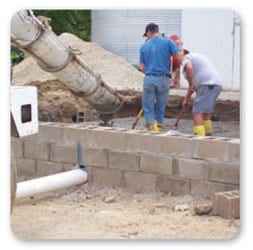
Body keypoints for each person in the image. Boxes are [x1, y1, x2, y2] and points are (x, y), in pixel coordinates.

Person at [139, 23, 180, 132]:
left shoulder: (144, 46)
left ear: (149, 32)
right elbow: (178, 57)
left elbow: (142, 67)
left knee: (148, 106)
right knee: (161, 105)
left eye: (146, 35)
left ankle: (152, 130)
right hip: (164, 78)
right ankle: (159, 128)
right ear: (157, 30)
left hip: (150, 78)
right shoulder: (168, 42)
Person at [178, 50, 222, 136]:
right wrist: (186, 99)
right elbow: (192, 87)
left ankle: (199, 138)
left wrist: (191, 85)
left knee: (197, 111)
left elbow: (189, 68)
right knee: (205, 111)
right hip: (215, 85)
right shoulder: (196, 59)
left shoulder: (187, 58)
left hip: (207, 85)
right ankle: (207, 135)